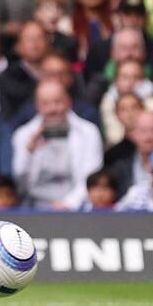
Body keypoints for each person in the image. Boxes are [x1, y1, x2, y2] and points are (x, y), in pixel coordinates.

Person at [11, 80, 102, 210]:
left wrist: (68, 204)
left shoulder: (88, 132)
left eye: (58, 102)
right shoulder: (23, 134)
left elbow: (91, 179)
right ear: (37, 106)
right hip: (34, 209)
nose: (52, 109)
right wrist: (28, 153)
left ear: (69, 102)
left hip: (77, 208)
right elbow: (20, 185)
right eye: (45, 103)